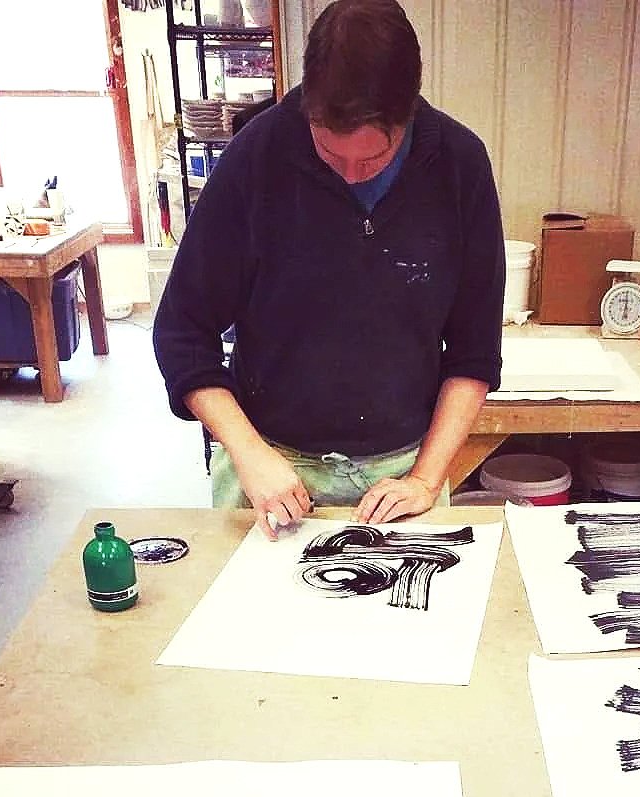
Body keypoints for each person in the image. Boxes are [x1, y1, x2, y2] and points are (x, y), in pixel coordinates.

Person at [154, 0, 505, 540]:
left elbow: (474, 351)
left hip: (402, 472)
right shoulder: (256, 158)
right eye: (328, 152)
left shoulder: (459, 166)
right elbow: (182, 332)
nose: (348, 176)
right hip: (271, 466)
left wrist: (426, 479)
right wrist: (249, 454)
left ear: (407, 114)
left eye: (370, 160)